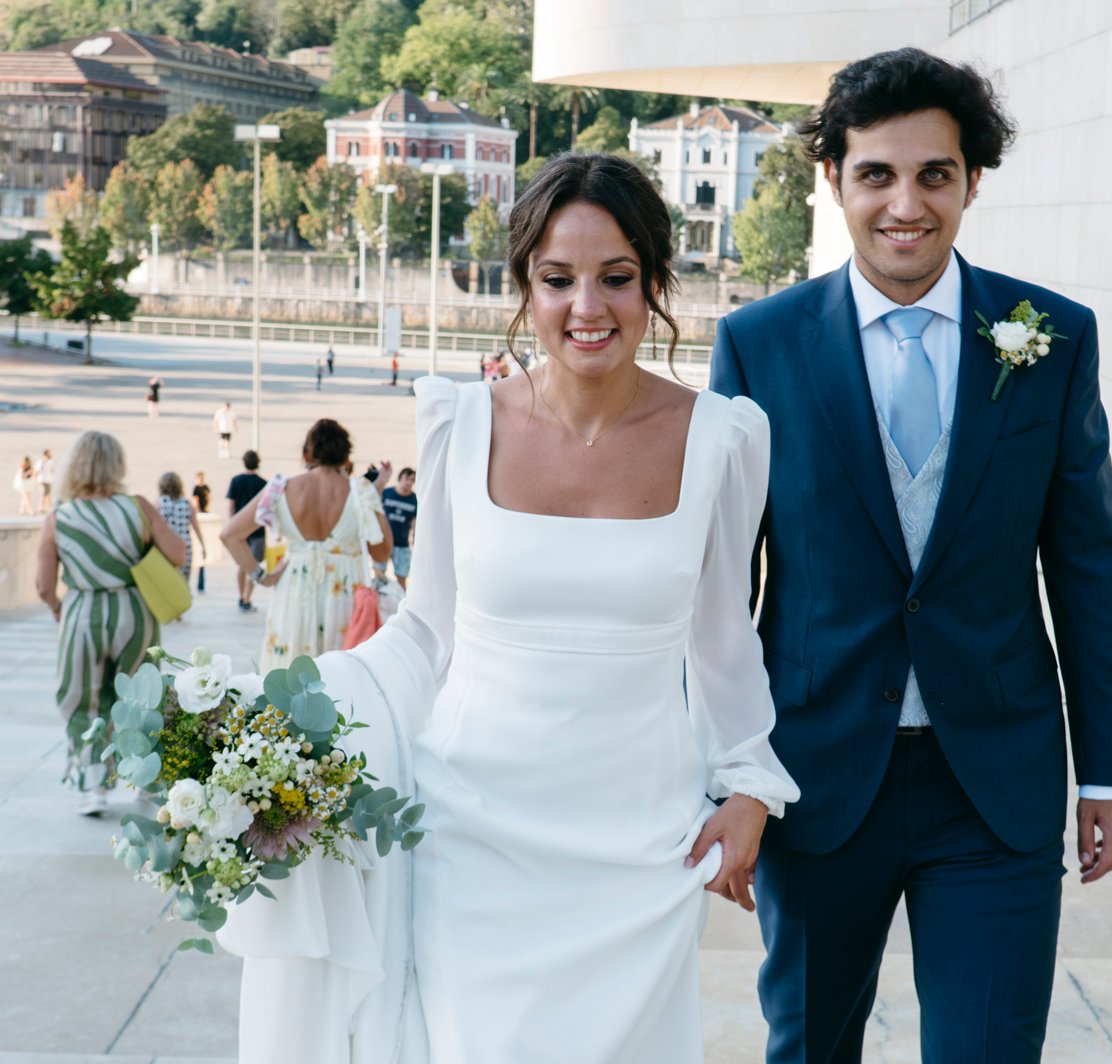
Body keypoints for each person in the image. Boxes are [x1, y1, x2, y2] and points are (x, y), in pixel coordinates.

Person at [220, 152, 798, 1063]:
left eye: (616, 278)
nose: (587, 308)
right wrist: (290, 720)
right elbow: (427, 629)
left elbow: (724, 640)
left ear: (654, 281)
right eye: (557, 280)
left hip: (639, 852)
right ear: (524, 285)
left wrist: (752, 788)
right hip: (472, 840)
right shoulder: (460, 420)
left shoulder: (724, 438)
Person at [710, 48, 1112, 1064]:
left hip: (993, 783)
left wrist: (1109, 772)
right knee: (808, 1048)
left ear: (971, 181)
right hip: (815, 781)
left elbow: (1086, 566)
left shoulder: (1051, 337)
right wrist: (722, 775)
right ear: (834, 180)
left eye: (934, 174)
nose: (907, 203)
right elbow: (720, 592)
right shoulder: (758, 344)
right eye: (877, 174)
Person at [34, 431, 185, 815]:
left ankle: (93, 786)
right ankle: (147, 783)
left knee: (83, 698)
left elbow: (43, 585)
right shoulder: (136, 508)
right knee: (142, 697)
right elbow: (176, 554)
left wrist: (56, 606)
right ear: (117, 464)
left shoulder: (59, 517)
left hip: (83, 613)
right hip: (135, 609)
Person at [220, 419, 394, 672]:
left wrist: (262, 577)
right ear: (346, 457)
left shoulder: (281, 488)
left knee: (291, 676)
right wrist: (374, 494)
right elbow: (382, 551)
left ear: (306, 453)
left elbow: (230, 534)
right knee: (342, 677)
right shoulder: (361, 491)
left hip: (294, 591)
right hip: (343, 595)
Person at [225, 450, 267, 613]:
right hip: (257, 531)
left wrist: (232, 525)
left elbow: (231, 506)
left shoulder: (236, 481)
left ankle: (240, 597)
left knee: (242, 565)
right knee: (254, 566)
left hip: (239, 532)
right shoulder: (263, 483)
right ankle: (247, 597)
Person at [157, 472, 205, 588]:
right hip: (185, 546)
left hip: (166, 546)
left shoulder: (159, 503)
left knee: (166, 581)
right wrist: (203, 546)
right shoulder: (187, 503)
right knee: (183, 582)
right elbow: (196, 527)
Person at [375, 466, 418, 588]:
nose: (409, 482)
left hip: (401, 544)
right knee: (379, 576)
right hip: (383, 541)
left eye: (412, 480)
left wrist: (415, 539)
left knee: (402, 578)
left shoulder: (414, 500)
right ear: (400, 479)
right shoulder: (387, 493)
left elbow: (415, 522)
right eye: (407, 478)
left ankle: (400, 603)